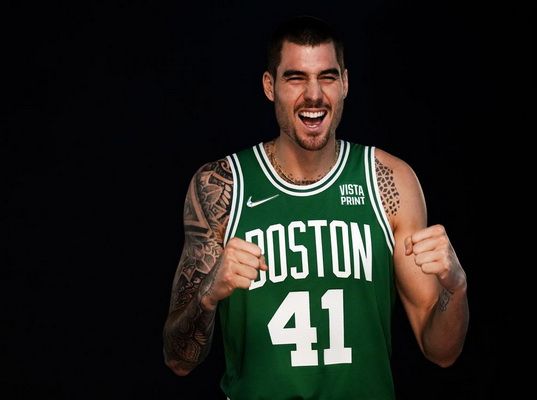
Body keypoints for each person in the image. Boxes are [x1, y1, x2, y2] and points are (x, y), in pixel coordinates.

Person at [162, 15, 469, 399]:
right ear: (270, 86)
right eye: (295, 78)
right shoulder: (223, 186)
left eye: (327, 77)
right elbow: (178, 359)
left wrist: (456, 288)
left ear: (345, 84)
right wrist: (208, 293)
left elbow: (442, 351)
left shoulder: (388, 181)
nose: (313, 95)